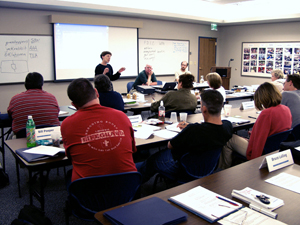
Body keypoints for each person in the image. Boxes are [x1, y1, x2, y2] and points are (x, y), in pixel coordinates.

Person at [137, 90, 233, 183]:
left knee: (152, 160)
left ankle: (134, 184)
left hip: (183, 169)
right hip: (207, 169)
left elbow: (170, 145)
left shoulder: (193, 130)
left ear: (204, 109)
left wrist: (189, 128)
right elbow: (211, 128)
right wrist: (190, 127)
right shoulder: (227, 127)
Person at [61, 78, 137, 182]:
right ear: (96, 92)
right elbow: (132, 150)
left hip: (88, 192)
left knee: (69, 174)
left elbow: (71, 158)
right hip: (127, 187)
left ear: (73, 105)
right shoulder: (122, 116)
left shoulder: (67, 124)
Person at [219, 82, 292, 169]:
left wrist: (254, 161)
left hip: (262, 151)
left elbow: (259, 140)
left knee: (229, 139)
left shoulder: (267, 113)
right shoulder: (285, 108)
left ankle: (222, 171)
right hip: (276, 148)